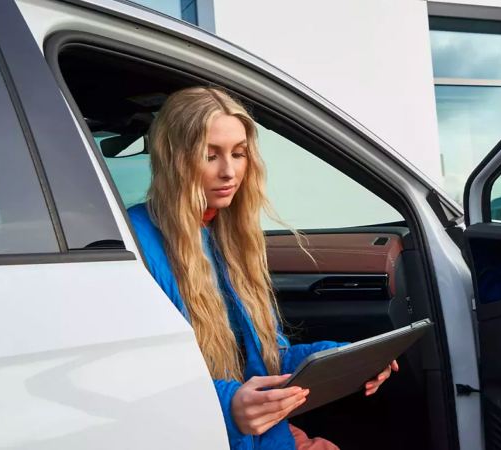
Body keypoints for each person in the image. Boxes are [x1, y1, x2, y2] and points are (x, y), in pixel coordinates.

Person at [127, 86, 398, 450]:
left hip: (265, 433)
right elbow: (134, 378)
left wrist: (348, 358)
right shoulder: (135, 242)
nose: (229, 172)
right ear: (174, 158)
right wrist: (227, 406)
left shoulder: (230, 236)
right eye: (210, 155)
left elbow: (269, 359)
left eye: (238, 154)